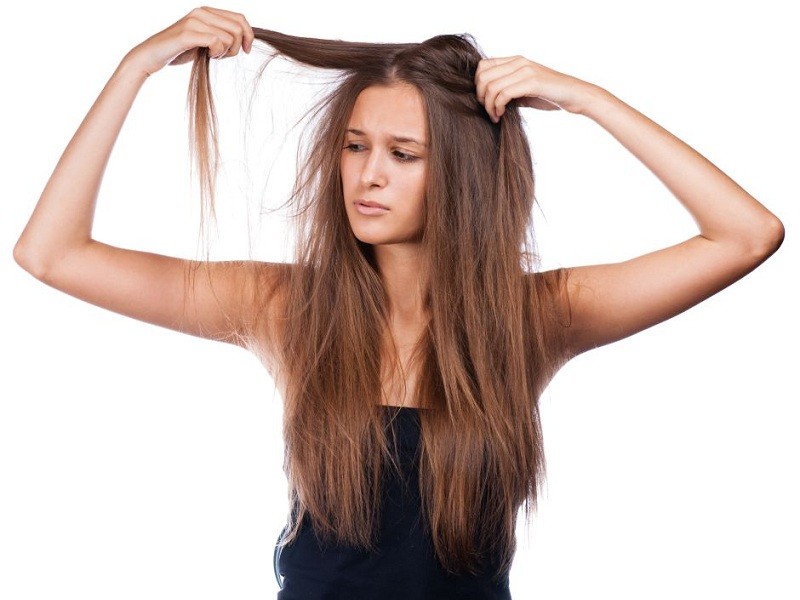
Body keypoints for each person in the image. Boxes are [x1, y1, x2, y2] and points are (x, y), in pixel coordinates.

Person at [12, 6, 784, 599]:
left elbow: (746, 235)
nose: (367, 175)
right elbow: (52, 255)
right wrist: (133, 65)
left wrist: (588, 99)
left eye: (401, 154)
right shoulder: (285, 305)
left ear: (461, 173)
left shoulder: (533, 319)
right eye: (355, 146)